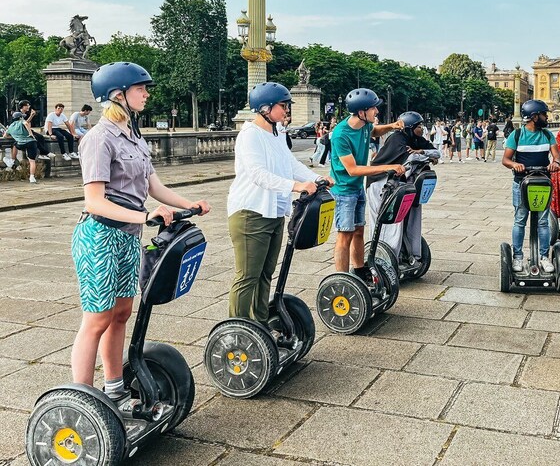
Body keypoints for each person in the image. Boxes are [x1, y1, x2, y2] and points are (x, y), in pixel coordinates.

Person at [71, 61, 211, 399]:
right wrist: (145, 217)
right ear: (118, 95)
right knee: (97, 318)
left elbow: (155, 187)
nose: (146, 94)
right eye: (140, 89)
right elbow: (94, 202)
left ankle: (115, 388)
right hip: (100, 237)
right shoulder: (98, 139)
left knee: (121, 313)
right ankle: (82, 399)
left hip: (128, 237)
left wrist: (189, 204)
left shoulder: (134, 137)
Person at [227, 82, 332, 322]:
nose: (287, 110)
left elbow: (291, 165)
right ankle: (237, 330)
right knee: (247, 276)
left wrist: (316, 178)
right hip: (250, 213)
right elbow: (258, 174)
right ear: (265, 107)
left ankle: (260, 324)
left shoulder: (277, 133)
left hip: (273, 212)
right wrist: (296, 186)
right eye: (283, 106)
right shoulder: (249, 135)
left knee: (265, 274)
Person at [329, 88, 404, 282]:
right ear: (361, 112)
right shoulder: (340, 134)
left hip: (357, 188)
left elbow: (375, 131)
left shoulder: (363, 125)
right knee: (345, 236)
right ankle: (342, 279)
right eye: (373, 109)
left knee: (359, 231)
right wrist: (388, 167)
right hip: (344, 190)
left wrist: (392, 126)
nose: (376, 112)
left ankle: (359, 269)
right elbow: (352, 169)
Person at [366, 111, 440, 263]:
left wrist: (423, 151)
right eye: (419, 126)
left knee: (406, 220)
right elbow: (409, 159)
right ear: (409, 127)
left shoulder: (416, 140)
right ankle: (384, 258)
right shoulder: (396, 138)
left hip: (399, 184)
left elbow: (437, 153)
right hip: (380, 183)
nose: (422, 129)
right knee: (389, 222)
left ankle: (406, 253)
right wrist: (426, 157)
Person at [501, 100, 560, 273]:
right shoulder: (517, 135)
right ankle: (517, 257)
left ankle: (544, 257)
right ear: (534, 117)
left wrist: (555, 163)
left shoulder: (548, 135)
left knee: (543, 222)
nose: (546, 117)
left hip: (542, 182)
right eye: (544, 114)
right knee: (520, 220)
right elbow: (505, 159)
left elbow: (557, 156)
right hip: (521, 183)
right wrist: (515, 165)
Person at [2, 111, 49, 183]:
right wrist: (30, 133)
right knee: (32, 161)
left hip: (21, 144)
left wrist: (14, 136)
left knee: (14, 144)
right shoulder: (22, 121)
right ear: (20, 117)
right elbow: (26, 123)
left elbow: (5, 136)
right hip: (31, 142)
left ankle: (12, 160)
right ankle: (32, 177)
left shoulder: (11, 126)